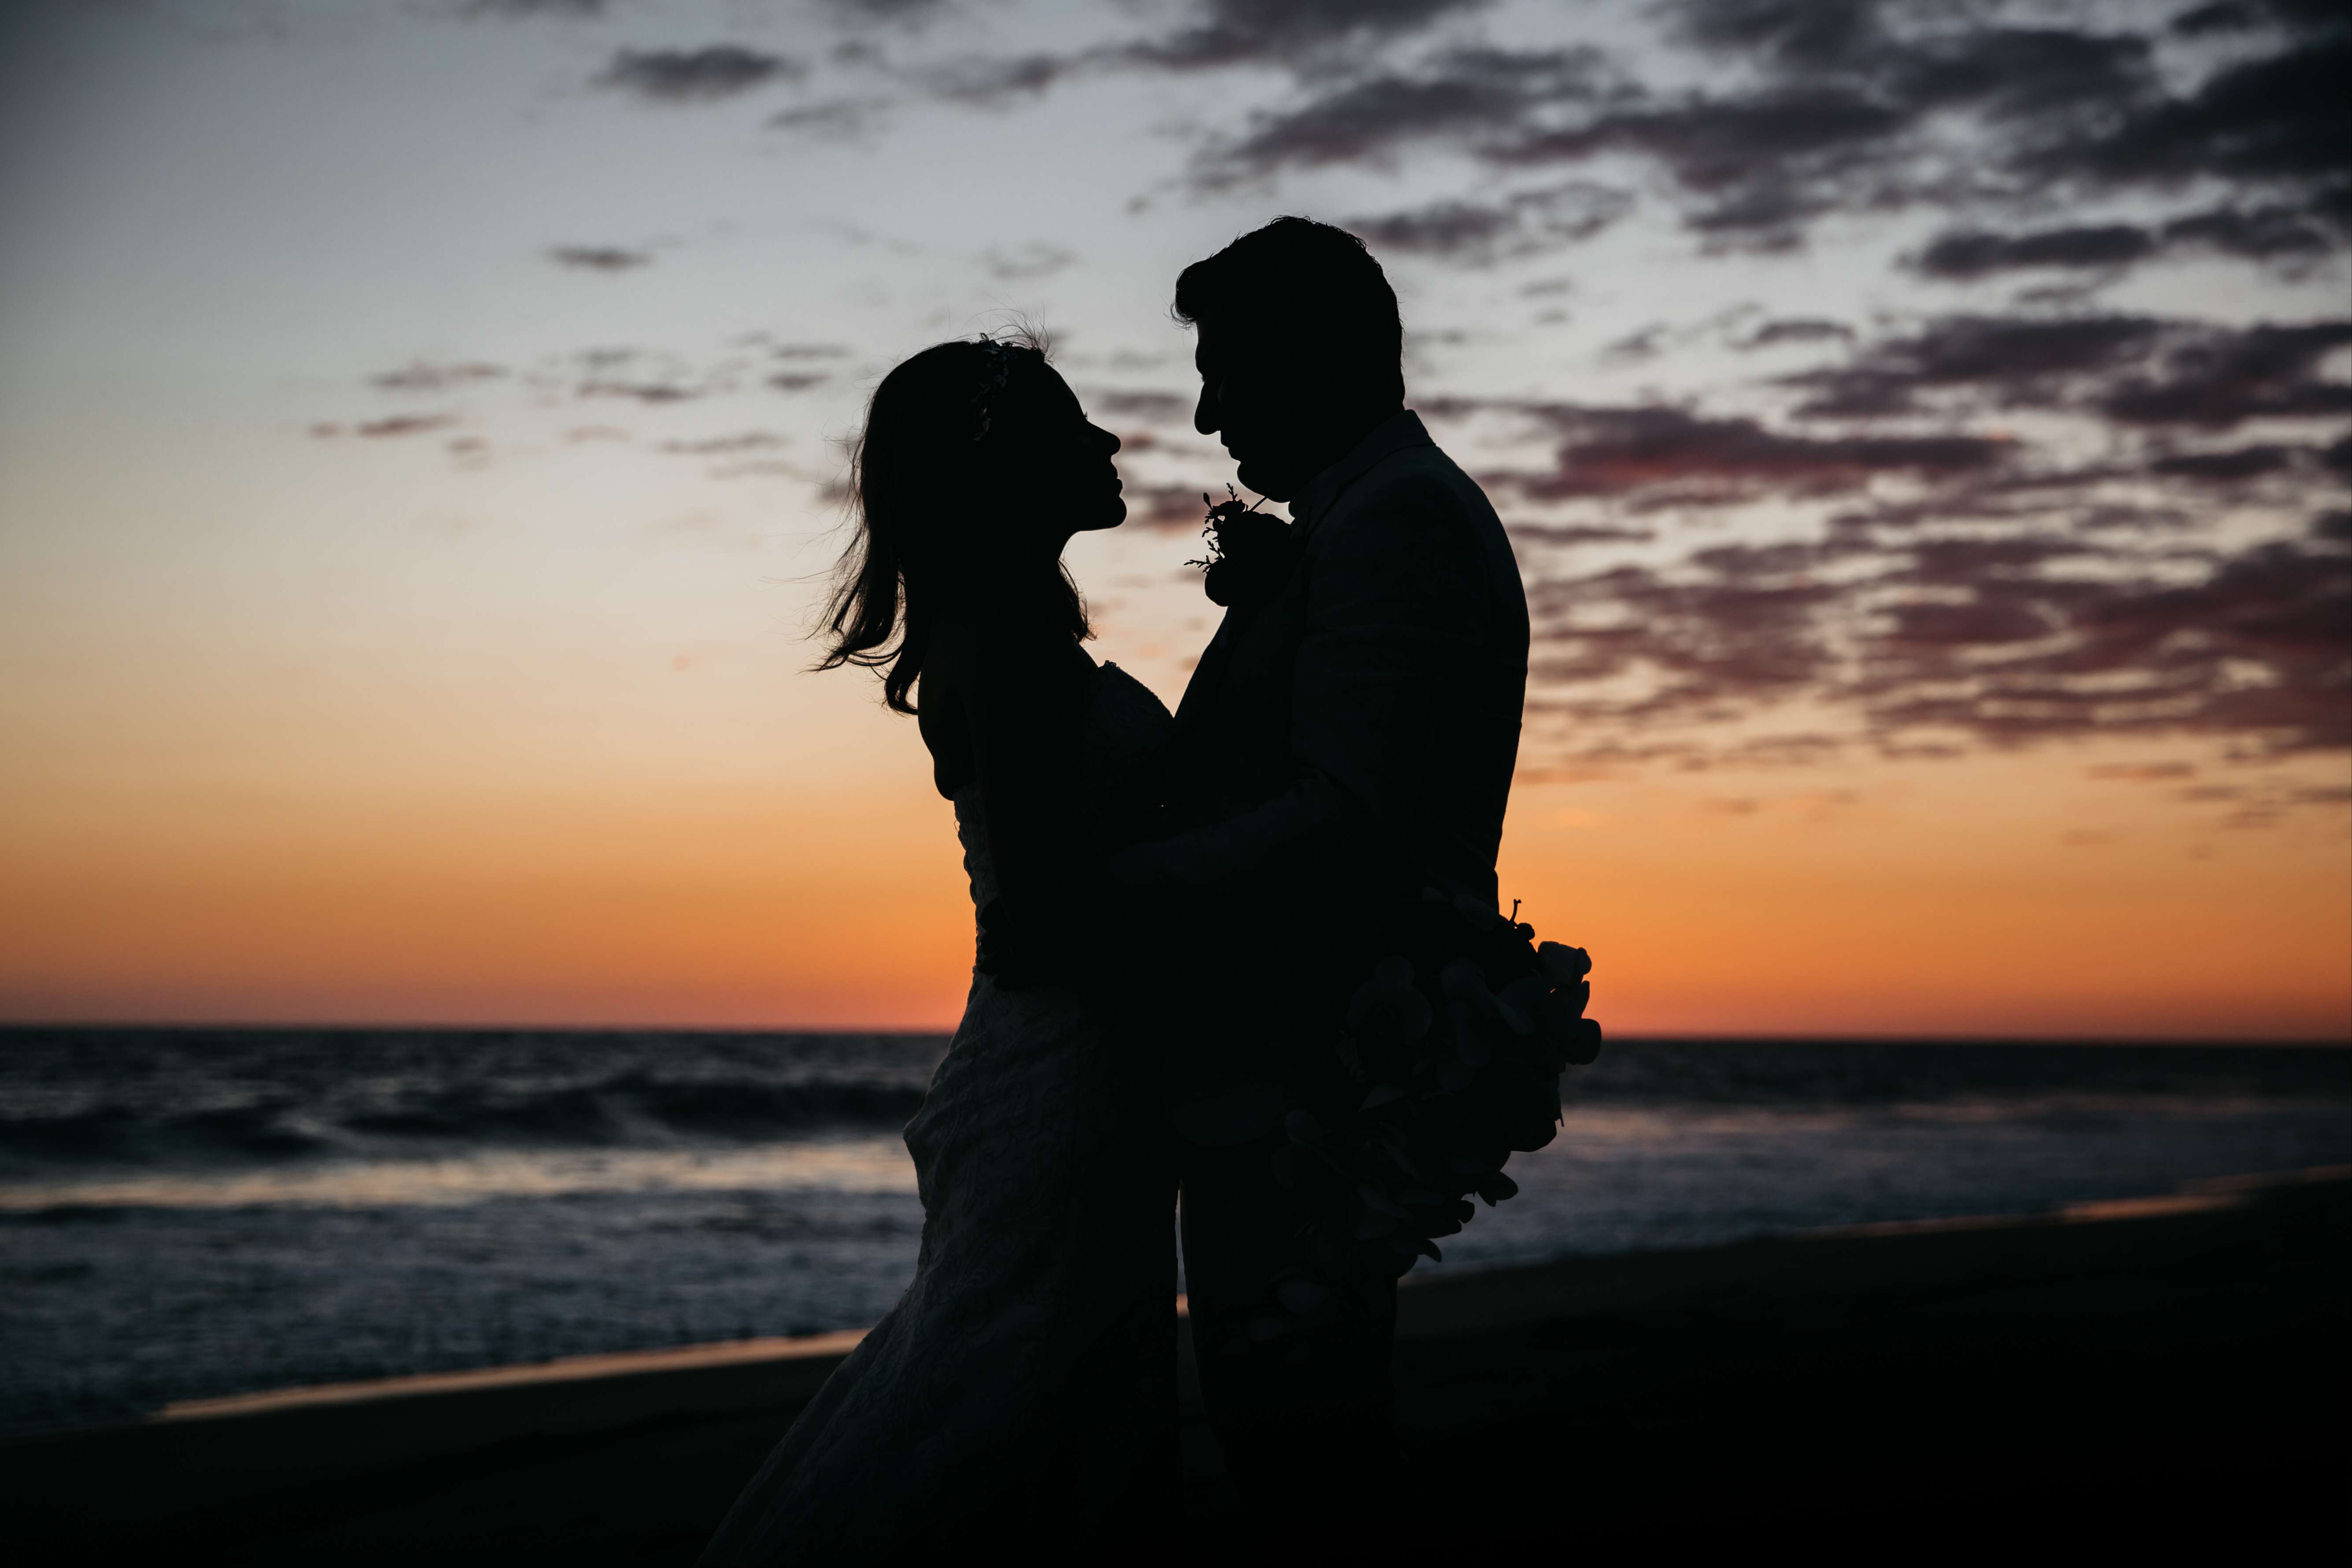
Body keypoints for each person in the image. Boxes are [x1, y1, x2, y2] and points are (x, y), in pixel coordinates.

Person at [696, 333, 1179, 1566]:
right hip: (1065, 1079)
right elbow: (1045, 915)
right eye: (1075, 428)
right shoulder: (1006, 643)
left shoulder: (1005, 632)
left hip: (1069, 1067)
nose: (1109, 443)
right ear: (1009, 469)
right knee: (987, 1412)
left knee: (1052, 1413)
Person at [1108, 217, 1532, 1532]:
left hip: (1309, 1071)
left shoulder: (1398, 521)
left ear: (1317, 358)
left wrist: (1113, 890)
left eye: (1226, 370)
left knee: (1299, 1451)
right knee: (1295, 1436)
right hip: (1298, 1061)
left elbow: (1346, 816)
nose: (1202, 412)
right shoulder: (1366, 512)